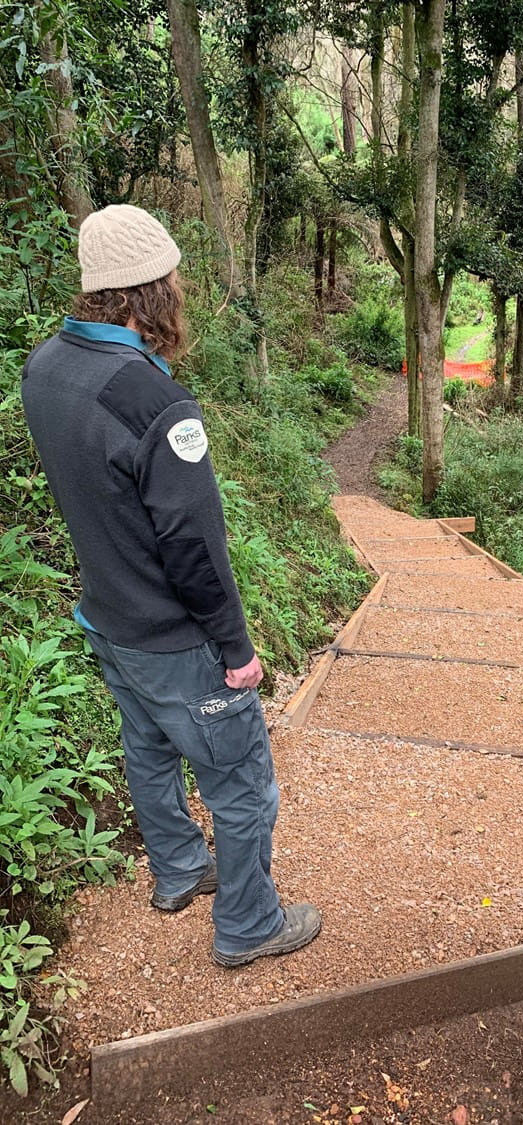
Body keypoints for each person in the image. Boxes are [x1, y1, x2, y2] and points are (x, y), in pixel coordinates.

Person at [21, 204, 321, 967]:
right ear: (143, 293)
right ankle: (250, 925)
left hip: (109, 620)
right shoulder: (156, 404)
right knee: (243, 782)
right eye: (172, 278)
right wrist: (237, 648)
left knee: (150, 749)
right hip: (174, 636)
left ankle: (181, 871)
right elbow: (193, 547)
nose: (180, 289)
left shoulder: (44, 367)